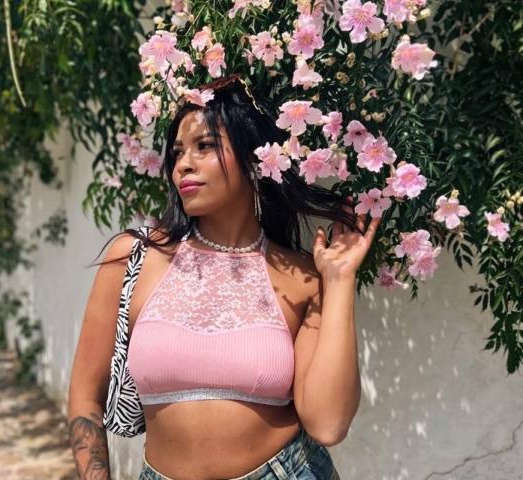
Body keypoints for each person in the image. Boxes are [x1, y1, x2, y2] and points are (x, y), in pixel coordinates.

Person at [68, 77, 380, 480]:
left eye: (204, 146)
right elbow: (85, 397)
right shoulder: (133, 258)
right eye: (177, 152)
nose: (183, 164)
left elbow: (328, 424)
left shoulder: (301, 278)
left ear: (253, 159)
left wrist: (338, 281)